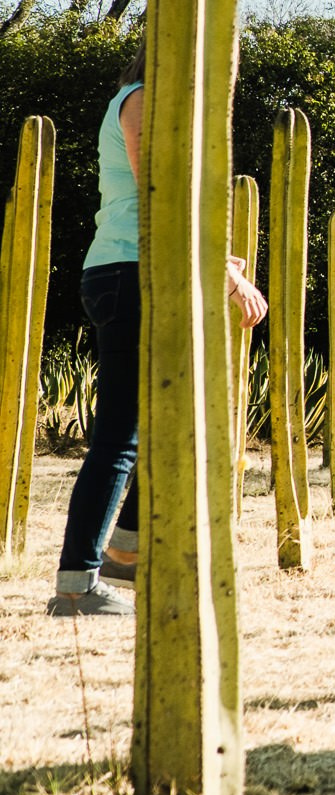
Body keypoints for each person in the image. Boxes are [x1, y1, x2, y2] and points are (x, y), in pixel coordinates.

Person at [49, 46, 268, 617]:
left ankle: (125, 553)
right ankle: (76, 582)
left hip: (142, 273)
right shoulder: (142, 100)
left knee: (170, 423)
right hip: (127, 272)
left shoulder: (152, 104)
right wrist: (225, 275)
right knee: (121, 434)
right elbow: (159, 199)